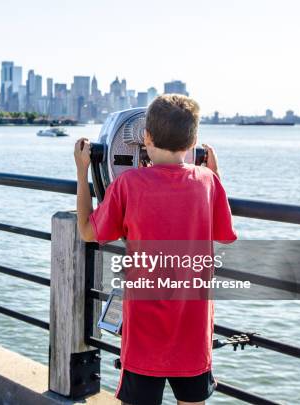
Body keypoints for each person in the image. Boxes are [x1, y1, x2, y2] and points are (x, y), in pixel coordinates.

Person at [74, 94, 237, 405]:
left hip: (144, 330)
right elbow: (222, 232)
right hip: (193, 327)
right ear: (194, 142)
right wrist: (215, 175)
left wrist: (82, 173)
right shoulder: (207, 182)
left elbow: (88, 231)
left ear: (145, 137)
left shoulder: (128, 185)